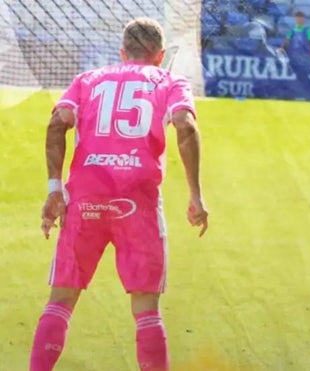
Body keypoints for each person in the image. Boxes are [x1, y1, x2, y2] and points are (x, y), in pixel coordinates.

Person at [30, 17, 209, 371]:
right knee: (146, 310)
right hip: (137, 200)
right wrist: (196, 195)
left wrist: (54, 189)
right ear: (159, 56)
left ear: (122, 52)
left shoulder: (88, 80)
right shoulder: (170, 80)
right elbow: (186, 126)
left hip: (86, 195)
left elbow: (57, 123)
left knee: (61, 299)